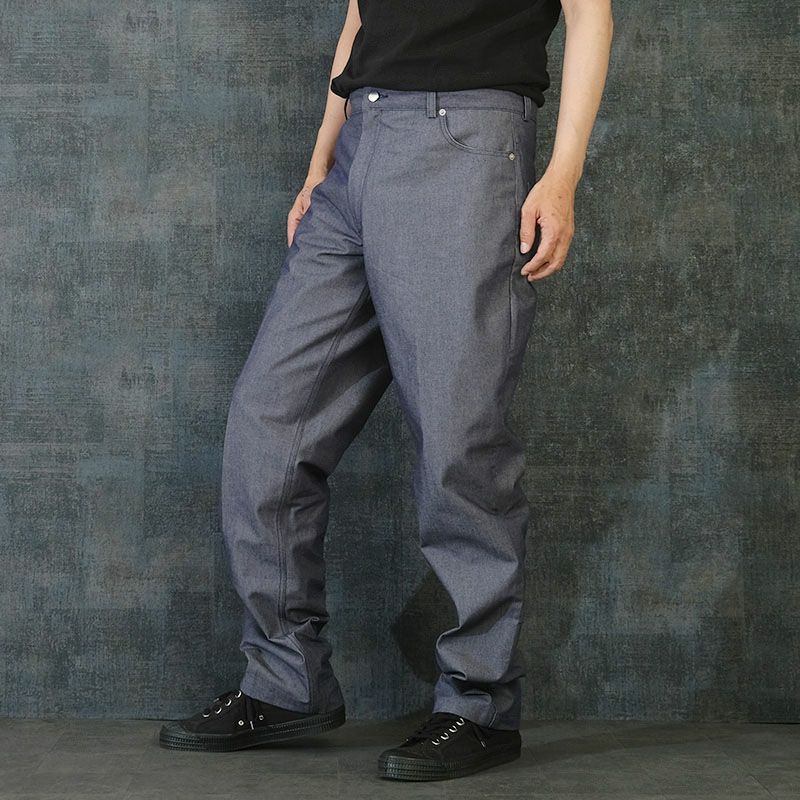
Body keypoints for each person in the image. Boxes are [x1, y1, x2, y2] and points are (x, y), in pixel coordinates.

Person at [159, 0, 613, 782]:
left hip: (464, 140)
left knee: (458, 440)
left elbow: (590, 14)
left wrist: (563, 172)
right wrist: (321, 163)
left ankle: (479, 704)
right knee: (270, 424)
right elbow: (357, 19)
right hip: (359, 141)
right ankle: (285, 681)